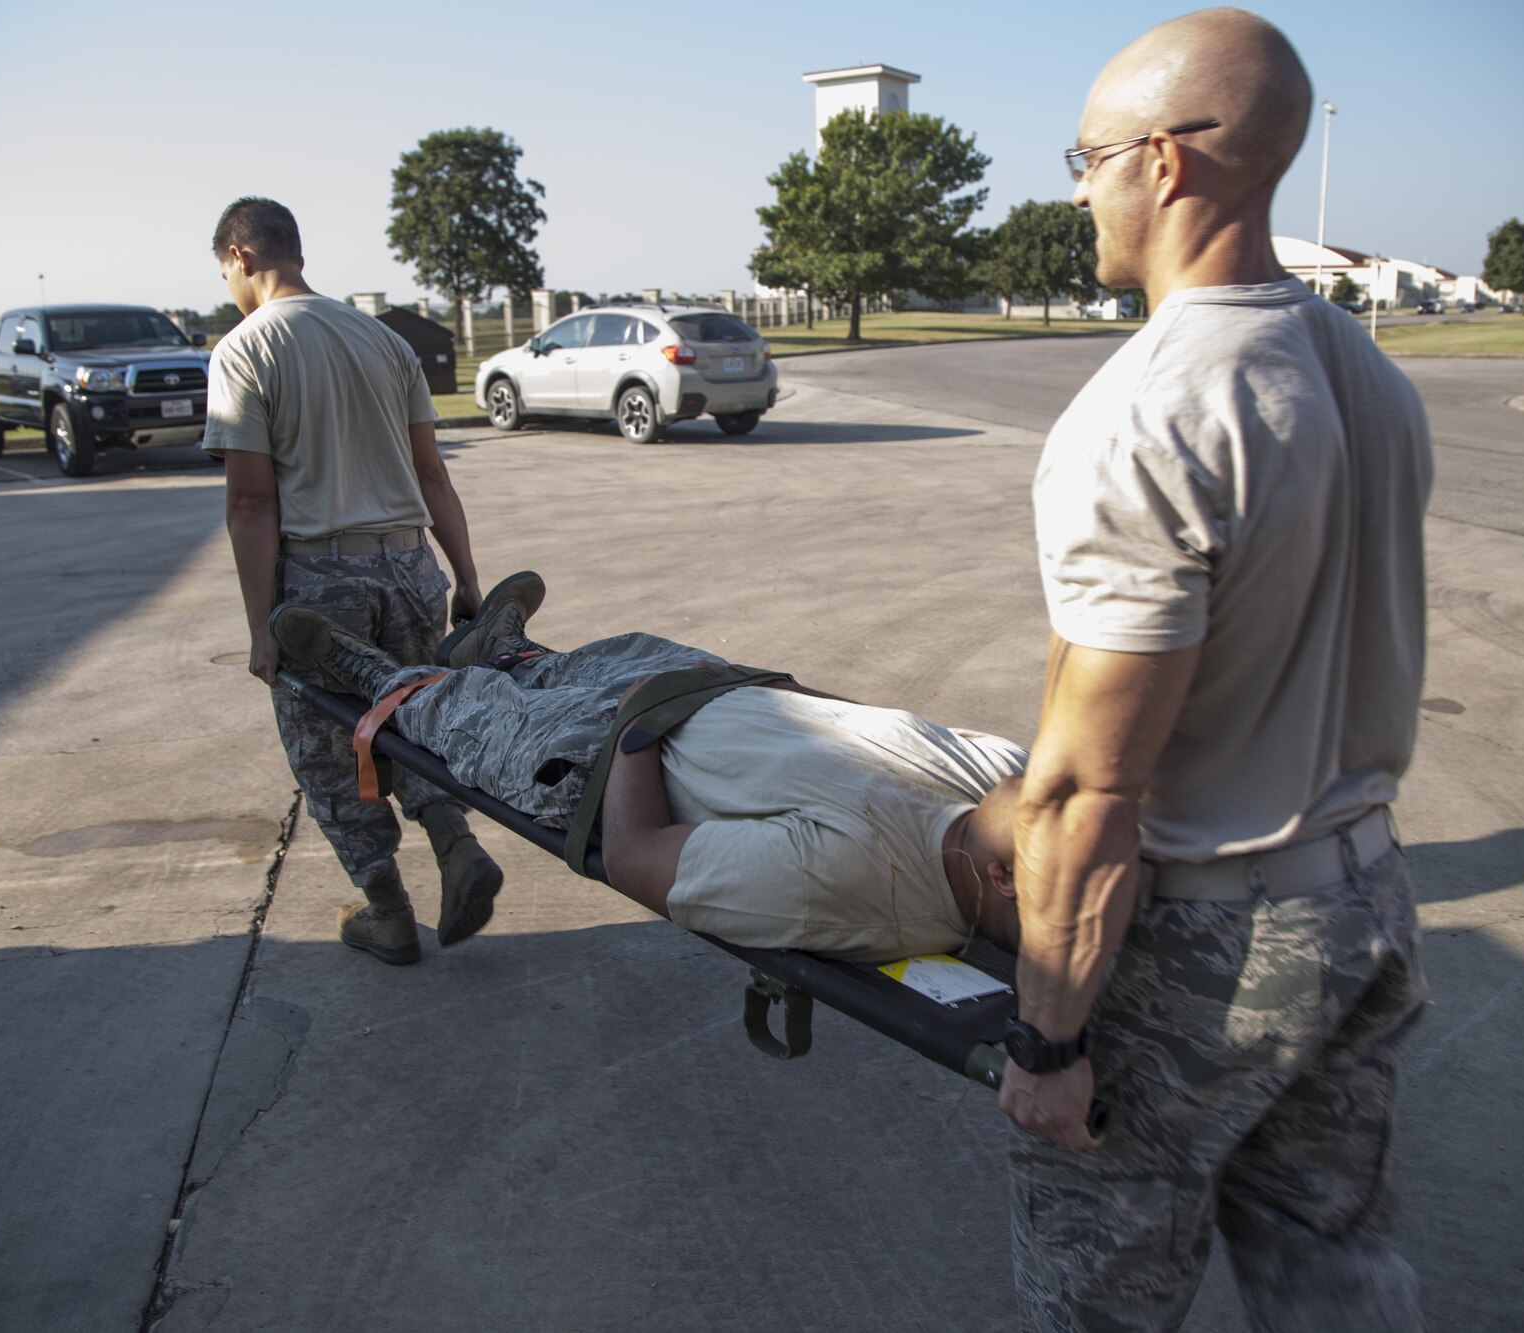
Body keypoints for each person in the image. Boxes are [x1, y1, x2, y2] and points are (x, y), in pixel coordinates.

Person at [1003, 9, 1433, 1330]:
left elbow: (1090, 788)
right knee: (1333, 1264)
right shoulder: (1362, 366)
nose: (1077, 187)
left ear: (1165, 163)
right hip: (1363, 900)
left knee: (1103, 1288)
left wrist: (1053, 1040)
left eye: (1084, 156)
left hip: (1206, 946)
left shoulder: (1151, 411)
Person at [267, 593, 1030, 964]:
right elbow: (864, 723)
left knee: (468, 717)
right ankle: (509, 650)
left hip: (606, 763)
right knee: (616, 652)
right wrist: (762, 688)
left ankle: (374, 673)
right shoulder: (1006, 774)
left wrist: (636, 724)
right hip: (716, 695)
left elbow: (637, 858)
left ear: (1001, 877)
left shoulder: (866, 882)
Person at [203, 195, 511, 968]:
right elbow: (432, 474)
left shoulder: (245, 350)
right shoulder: (383, 340)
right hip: (411, 566)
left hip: (321, 578)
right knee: (410, 717)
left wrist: (258, 627)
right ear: (296, 251)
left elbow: (250, 500)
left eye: (224, 274)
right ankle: (456, 840)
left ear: (241, 258)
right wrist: (468, 581)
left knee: (330, 753)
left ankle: (387, 912)